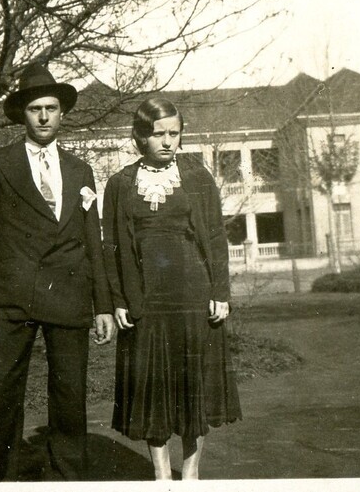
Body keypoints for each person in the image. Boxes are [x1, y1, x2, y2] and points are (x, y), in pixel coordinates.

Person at [0, 63, 115, 481]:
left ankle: (67, 481)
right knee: (0, 395)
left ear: (62, 112)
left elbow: (93, 242)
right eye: (36, 109)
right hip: (11, 299)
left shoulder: (80, 170)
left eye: (51, 108)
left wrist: (103, 306)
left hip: (69, 296)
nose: (44, 117)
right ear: (23, 114)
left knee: (70, 396)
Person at [102, 97, 241, 480]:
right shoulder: (120, 184)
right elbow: (112, 247)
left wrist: (221, 293)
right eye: (158, 133)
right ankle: (162, 476)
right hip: (145, 300)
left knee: (193, 384)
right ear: (140, 136)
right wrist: (119, 300)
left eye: (174, 133)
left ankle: (191, 475)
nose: (167, 141)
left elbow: (216, 238)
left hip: (193, 298)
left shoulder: (197, 177)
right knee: (153, 388)